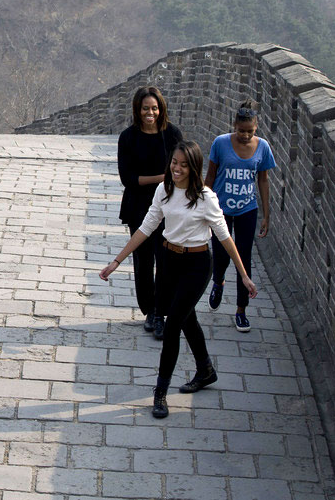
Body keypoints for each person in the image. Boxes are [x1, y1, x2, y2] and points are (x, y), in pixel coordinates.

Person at [100, 141, 257, 419]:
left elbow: (224, 237)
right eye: (174, 163)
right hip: (169, 260)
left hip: (197, 264)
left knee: (172, 325)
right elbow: (147, 227)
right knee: (187, 319)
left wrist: (243, 275)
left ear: (193, 167)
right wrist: (117, 260)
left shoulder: (205, 197)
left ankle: (160, 392)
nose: (177, 168)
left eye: (184, 165)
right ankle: (205, 369)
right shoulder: (164, 190)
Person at [205, 99, 276, 332]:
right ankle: (218, 281)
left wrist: (266, 214)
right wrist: (202, 205)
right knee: (221, 253)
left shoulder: (263, 147)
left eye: (250, 131)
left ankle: (241, 310)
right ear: (234, 125)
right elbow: (211, 176)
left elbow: (263, 180)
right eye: (241, 130)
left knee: (244, 259)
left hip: (247, 209)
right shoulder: (220, 143)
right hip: (220, 209)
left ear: (256, 128)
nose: (245, 135)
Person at [117, 86, 183, 339]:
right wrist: (163, 178)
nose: (151, 112)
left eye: (154, 108)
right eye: (146, 108)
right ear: (138, 109)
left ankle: (162, 312)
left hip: (169, 207)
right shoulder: (128, 137)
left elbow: (184, 167)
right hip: (139, 207)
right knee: (143, 261)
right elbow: (128, 179)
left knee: (166, 260)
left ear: (161, 108)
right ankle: (150, 310)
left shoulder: (172, 134)